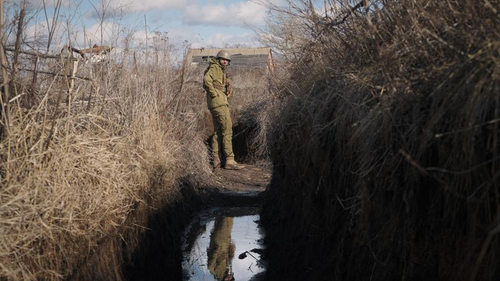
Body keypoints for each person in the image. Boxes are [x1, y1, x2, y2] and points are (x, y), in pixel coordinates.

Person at [203, 50, 244, 170]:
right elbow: (206, 80)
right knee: (227, 130)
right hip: (219, 103)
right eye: (223, 59)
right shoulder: (215, 68)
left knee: (218, 131)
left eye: (227, 60)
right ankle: (230, 160)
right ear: (219, 59)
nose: (225, 61)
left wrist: (227, 89)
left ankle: (215, 158)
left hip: (217, 103)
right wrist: (214, 93)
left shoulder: (220, 70)